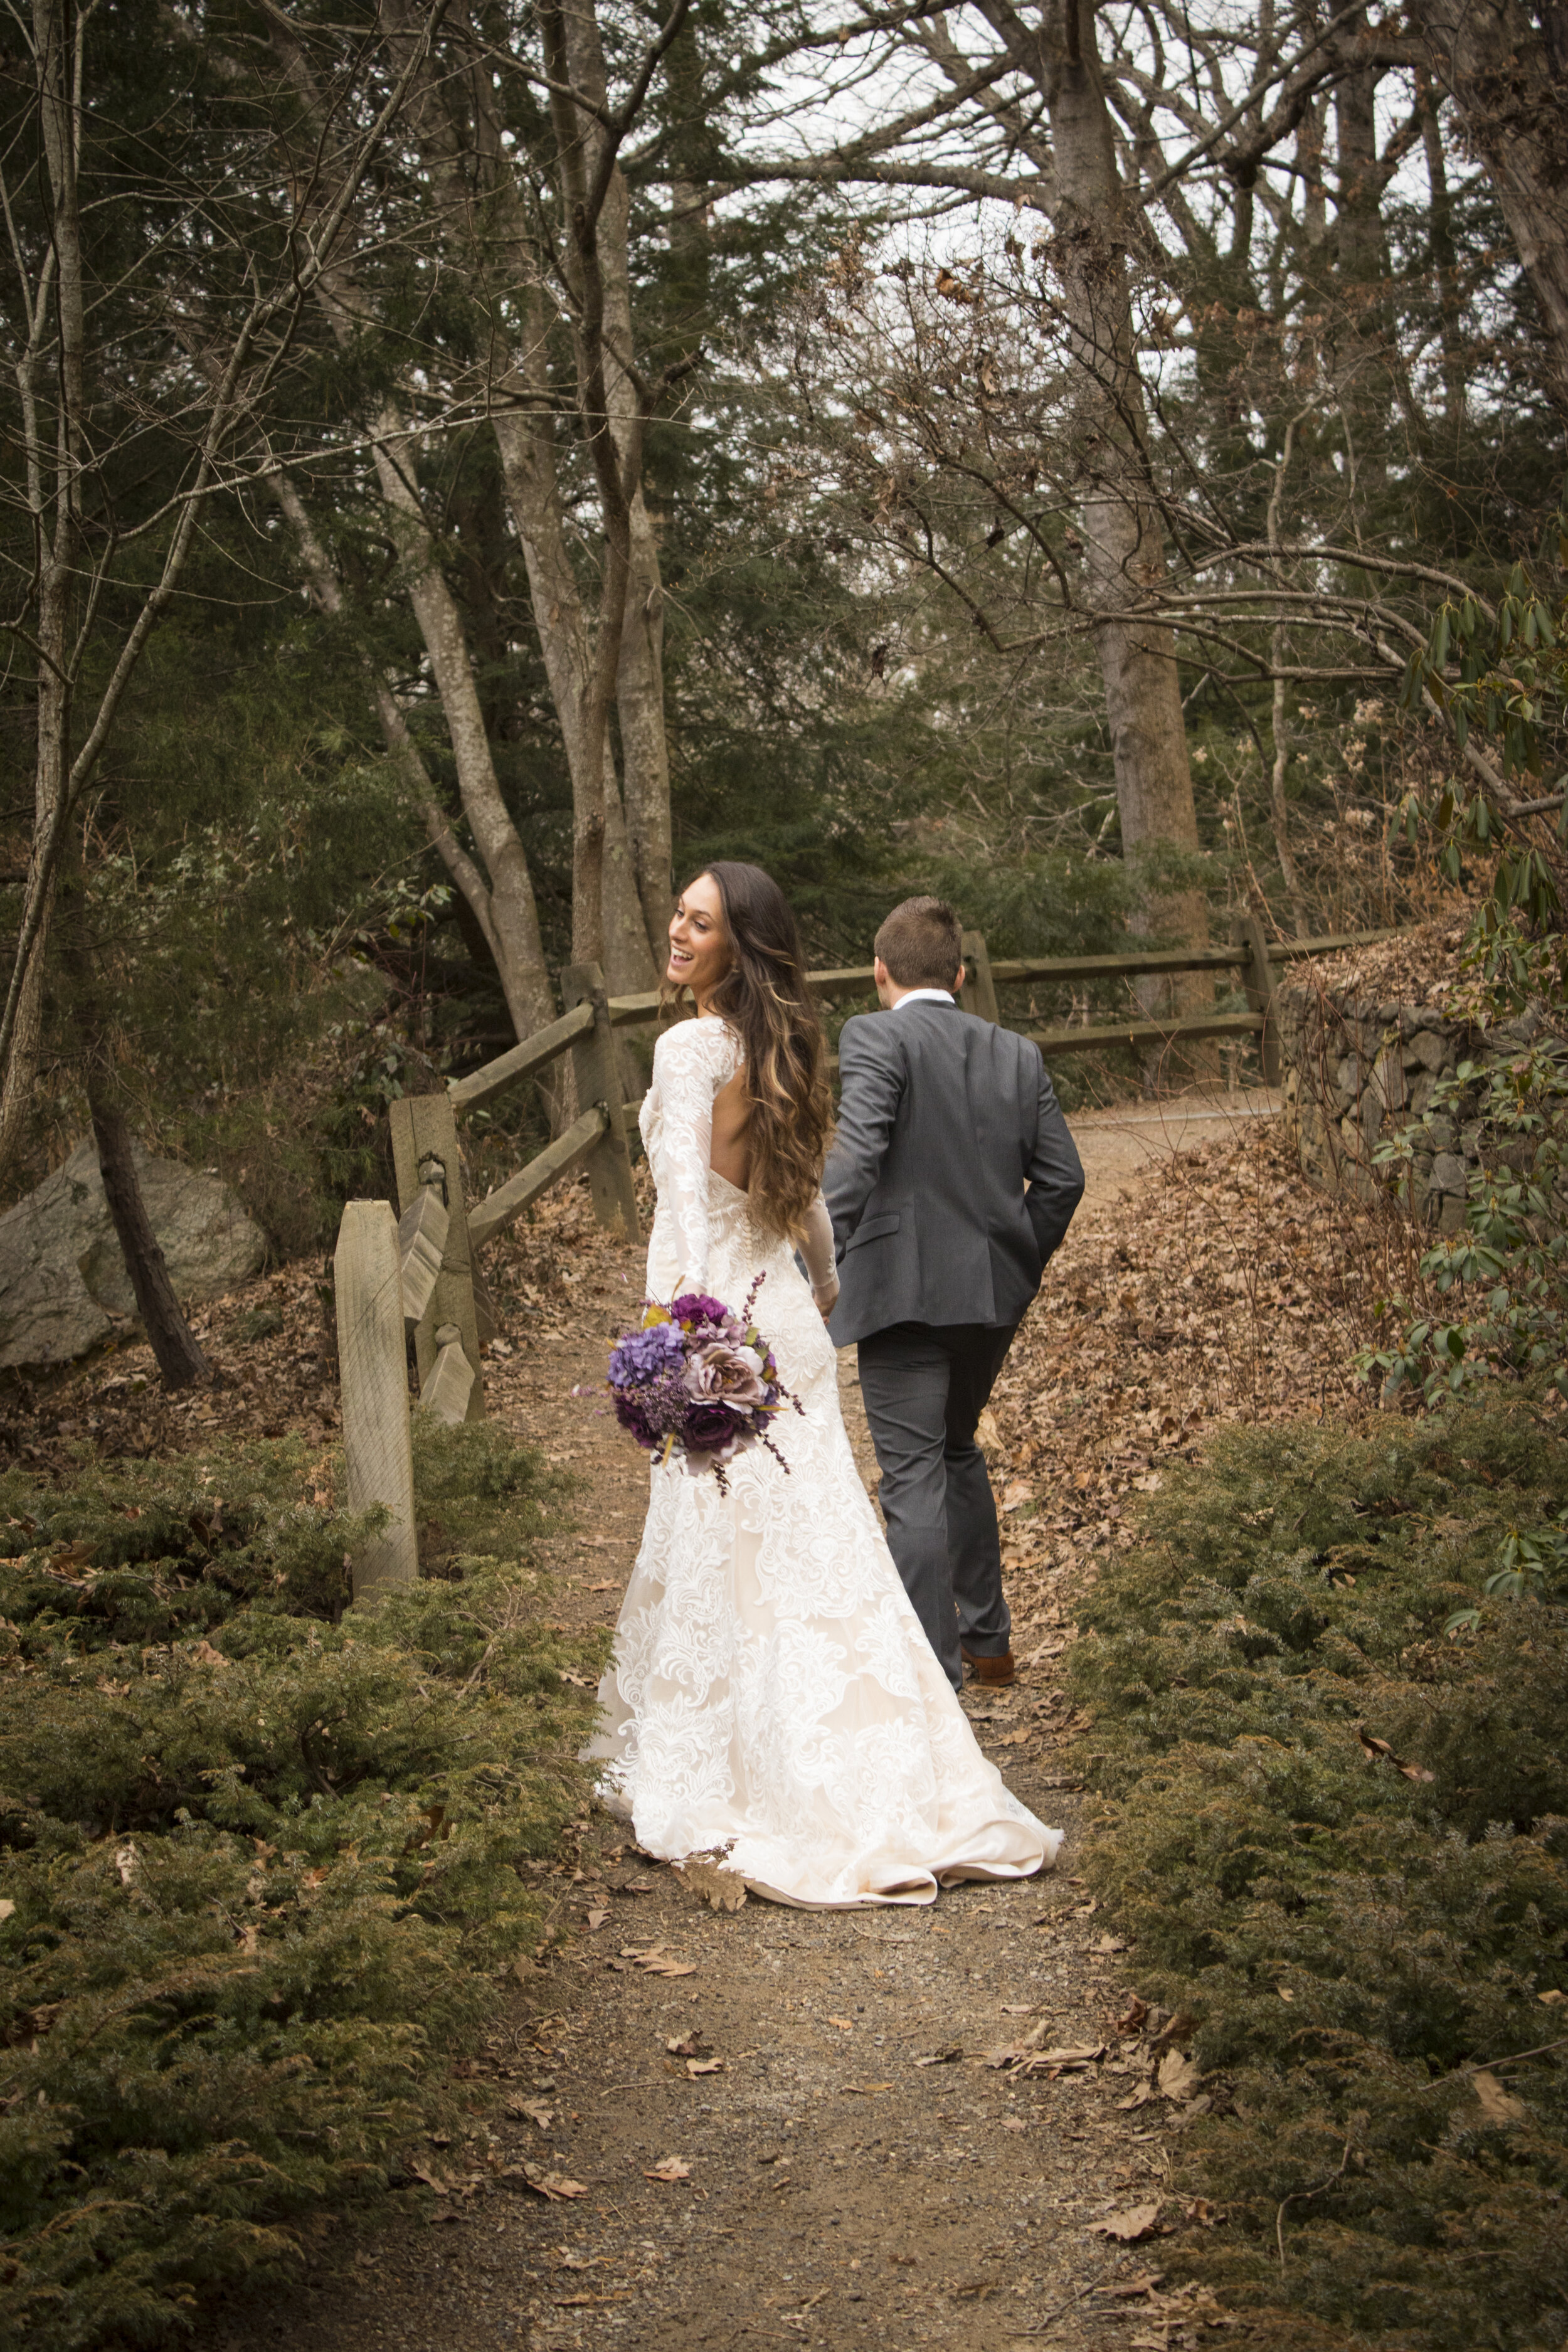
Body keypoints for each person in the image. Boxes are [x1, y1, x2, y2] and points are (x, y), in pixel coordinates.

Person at [585, 862, 1059, 1907]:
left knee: (735, 1545)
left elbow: (682, 1211)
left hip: (724, 1320)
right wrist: (825, 1283)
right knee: (823, 1543)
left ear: (735, 947)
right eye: (679, 914)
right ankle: (884, 1752)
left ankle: (754, 1765)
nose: (677, 931)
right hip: (787, 1319)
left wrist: (680, 1341)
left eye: (699, 923)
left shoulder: (686, 1047)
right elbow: (803, 1206)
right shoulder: (784, 1044)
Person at [823, 897, 1084, 1695]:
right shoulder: (1016, 1053)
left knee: (912, 1479)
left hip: (902, 1298)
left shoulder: (874, 1033)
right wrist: (1011, 1262)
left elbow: (858, 1157)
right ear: (960, 974)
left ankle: (930, 1683)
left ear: (879, 972)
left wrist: (811, 1261)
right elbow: (1064, 1180)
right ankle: (988, 1645)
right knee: (956, 1447)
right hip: (990, 1300)